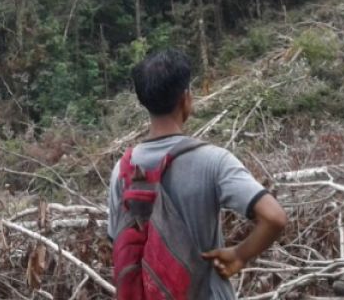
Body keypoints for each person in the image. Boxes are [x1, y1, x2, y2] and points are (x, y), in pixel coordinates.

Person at [108, 49, 287, 299]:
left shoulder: (122, 170)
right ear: (186, 99)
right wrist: (239, 254)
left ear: (143, 102)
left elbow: (117, 243)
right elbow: (274, 217)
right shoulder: (213, 161)